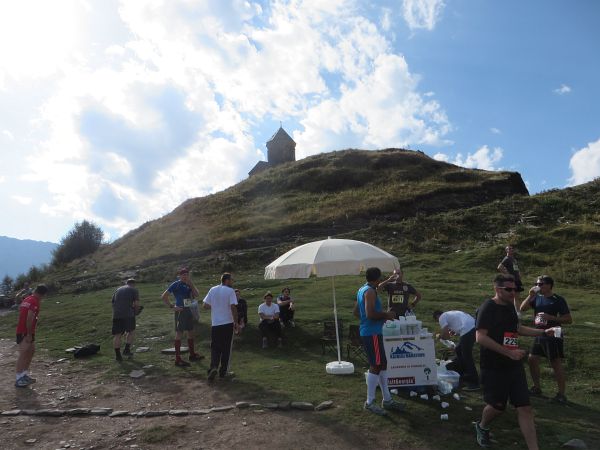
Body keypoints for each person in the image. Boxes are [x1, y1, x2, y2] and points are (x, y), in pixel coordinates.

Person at [474, 274, 558, 449]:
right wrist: (508, 353)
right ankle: (481, 426)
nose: (514, 292)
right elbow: (480, 337)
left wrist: (542, 332)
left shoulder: (511, 307)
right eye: (509, 289)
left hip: (514, 366)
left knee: (525, 408)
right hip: (494, 366)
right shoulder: (487, 308)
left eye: (515, 289)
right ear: (497, 289)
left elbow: (517, 328)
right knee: (497, 407)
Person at [353, 267, 405, 416]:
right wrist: (386, 315)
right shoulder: (369, 292)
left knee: (382, 364)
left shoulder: (364, 289)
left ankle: (387, 399)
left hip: (371, 332)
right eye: (381, 279)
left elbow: (356, 312)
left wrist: (389, 280)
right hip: (372, 334)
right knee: (376, 365)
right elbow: (370, 314)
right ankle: (369, 402)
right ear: (377, 278)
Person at [520, 275, 572, 403]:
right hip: (539, 333)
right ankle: (536, 388)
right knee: (532, 359)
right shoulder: (536, 297)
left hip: (554, 333)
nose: (538, 286)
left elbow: (568, 319)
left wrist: (551, 318)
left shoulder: (558, 300)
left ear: (549, 285)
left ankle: (561, 394)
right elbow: (522, 308)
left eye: (541, 284)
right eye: (537, 284)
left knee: (555, 362)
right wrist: (530, 295)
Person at [161, 267, 203, 367]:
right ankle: (178, 359)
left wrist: (191, 284)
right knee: (179, 333)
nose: (185, 276)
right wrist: (172, 306)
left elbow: (196, 294)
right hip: (180, 311)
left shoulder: (188, 284)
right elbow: (164, 296)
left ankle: (192, 355)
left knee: (191, 332)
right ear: (179, 276)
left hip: (188, 310)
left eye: (187, 275)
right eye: (183, 275)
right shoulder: (176, 284)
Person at [203, 273, 238, 381]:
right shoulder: (230, 291)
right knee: (226, 348)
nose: (233, 282)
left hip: (216, 323)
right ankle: (223, 372)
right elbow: (233, 307)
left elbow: (205, 306)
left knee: (215, 347)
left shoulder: (212, 289)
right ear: (227, 280)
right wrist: (236, 322)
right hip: (227, 323)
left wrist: (216, 305)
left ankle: (213, 367)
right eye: (232, 279)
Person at [433, 310, 479, 390]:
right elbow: (459, 323)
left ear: (437, 317)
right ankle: (464, 373)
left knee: (467, 356)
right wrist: (455, 331)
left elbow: (446, 336)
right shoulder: (449, 313)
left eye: (437, 321)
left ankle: (474, 382)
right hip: (473, 326)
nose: (439, 322)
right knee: (458, 350)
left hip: (467, 329)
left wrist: (440, 336)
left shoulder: (442, 317)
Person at [15, 284, 48, 388]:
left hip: (26, 331)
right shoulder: (34, 301)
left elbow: (18, 302)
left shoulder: (28, 298)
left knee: (31, 351)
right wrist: (29, 334)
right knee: (24, 353)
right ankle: (19, 379)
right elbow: (29, 318)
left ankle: (24, 375)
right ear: (42, 294)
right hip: (25, 332)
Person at [112, 278, 141, 361]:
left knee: (117, 335)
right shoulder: (134, 290)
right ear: (134, 284)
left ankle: (118, 356)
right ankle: (126, 350)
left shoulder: (118, 289)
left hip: (117, 315)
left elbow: (113, 302)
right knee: (131, 331)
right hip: (128, 314)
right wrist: (136, 312)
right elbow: (136, 304)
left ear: (126, 283)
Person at [497, 245, 524, 313]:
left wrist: (519, 274)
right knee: (512, 296)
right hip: (512, 280)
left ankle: (517, 312)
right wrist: (508, 274)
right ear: (506, 251)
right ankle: (513, 311)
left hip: (517, 279)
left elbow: (516, 268)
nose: (511, 250)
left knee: (517, 297)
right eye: (509, 249)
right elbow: (500, 267)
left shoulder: (514, 259)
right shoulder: (507, 258)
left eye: (512, 248)